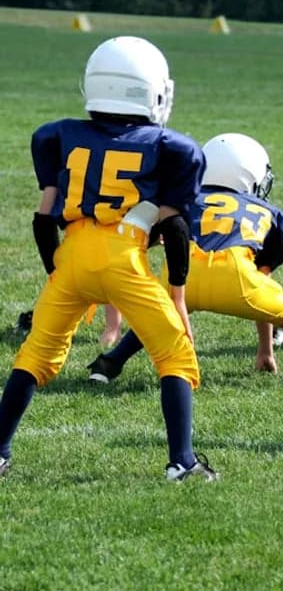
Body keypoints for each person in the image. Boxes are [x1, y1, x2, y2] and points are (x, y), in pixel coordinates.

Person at [0, 36, 216, 481]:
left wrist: (57, 272)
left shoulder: (59, 134)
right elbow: (175, 227)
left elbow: (43, 220)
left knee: (35, 355)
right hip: (123, 260)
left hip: (72, 255)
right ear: (152, 91)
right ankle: (182, 461)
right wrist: (178, 295)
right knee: (174, 355)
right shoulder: (171, 147)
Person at [86, 133, 283, 390]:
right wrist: (266, 349)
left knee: (156, 316)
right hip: (234, 276)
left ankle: (108, 364)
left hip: (182, 275)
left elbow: (146, 231)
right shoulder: (269, 212)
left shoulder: (183, 198)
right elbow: (264, 273)